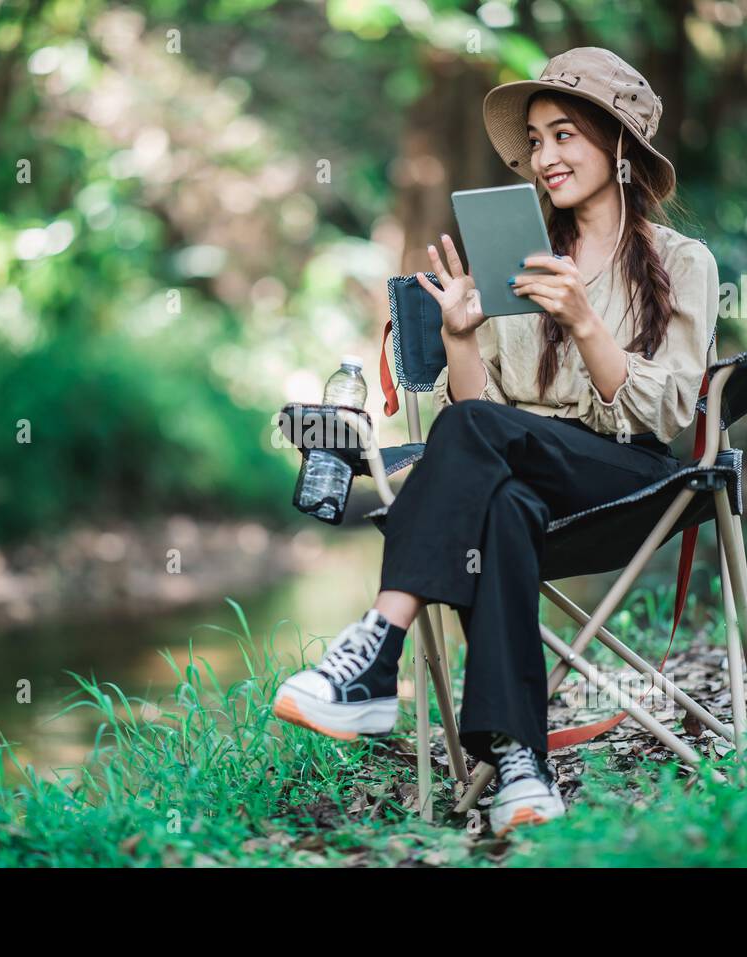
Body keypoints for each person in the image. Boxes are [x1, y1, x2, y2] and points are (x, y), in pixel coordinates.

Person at [273, 47, 719, 836]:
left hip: (629, 481)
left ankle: (378, 645)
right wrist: (462, 339)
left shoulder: (684, 263)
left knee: (487, 452)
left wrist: (583, 319)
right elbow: (479, 420)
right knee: (502, 506)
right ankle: (520, 761)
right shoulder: (515, 259)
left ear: (620, 145)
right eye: (536, 140)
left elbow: (665, 414)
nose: (544, 157)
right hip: (524, 483)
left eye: (565, 135)